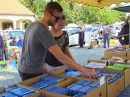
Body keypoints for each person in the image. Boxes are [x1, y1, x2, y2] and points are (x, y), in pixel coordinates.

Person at [18, 2, 97, 81]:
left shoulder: (32, 25)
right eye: (57, 18)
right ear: (47, 14)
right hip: (32, 72)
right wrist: (84, 70)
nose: (58, 20)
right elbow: (61, 57)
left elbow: (31, 49)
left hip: (23, 68)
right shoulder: (43, 31)